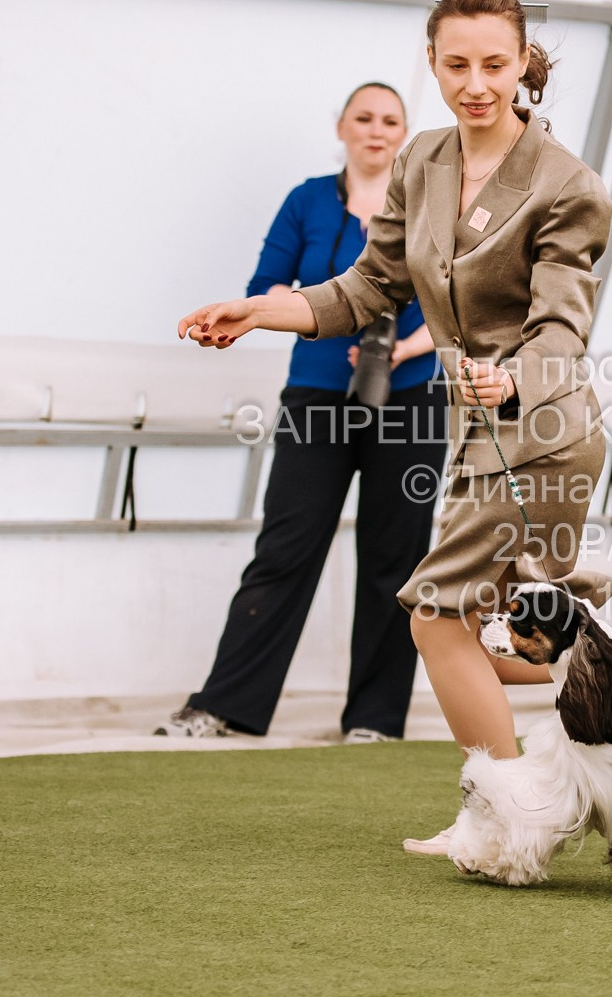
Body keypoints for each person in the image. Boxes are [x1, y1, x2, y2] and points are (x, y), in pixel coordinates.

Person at [176, 0, 612, 845]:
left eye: (494, 64)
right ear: (431, 62)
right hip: (478, 435)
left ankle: (513, 817)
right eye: (456, 63)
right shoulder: (422, 161)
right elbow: (368, 287)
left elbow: (560, 325)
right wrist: (260, 312)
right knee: (505, 630)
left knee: (435, 614)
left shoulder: (568, 185)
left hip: (541, 430)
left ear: (521, 65)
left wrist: (509, 378)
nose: (475, 82)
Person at [157, 83, 447, 743]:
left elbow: (458, 305)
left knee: (395, 559)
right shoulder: (308, 200)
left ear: (405, 131)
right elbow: (266, 289)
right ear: (342, 126)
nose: (376, 130)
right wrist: (303, 306)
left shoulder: (432, 200)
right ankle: (222, 705)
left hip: (413, 396)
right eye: (363, 118)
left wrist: (401, 348)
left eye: (390, 120)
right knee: (285, 546)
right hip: (317, 395)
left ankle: (374, 720)